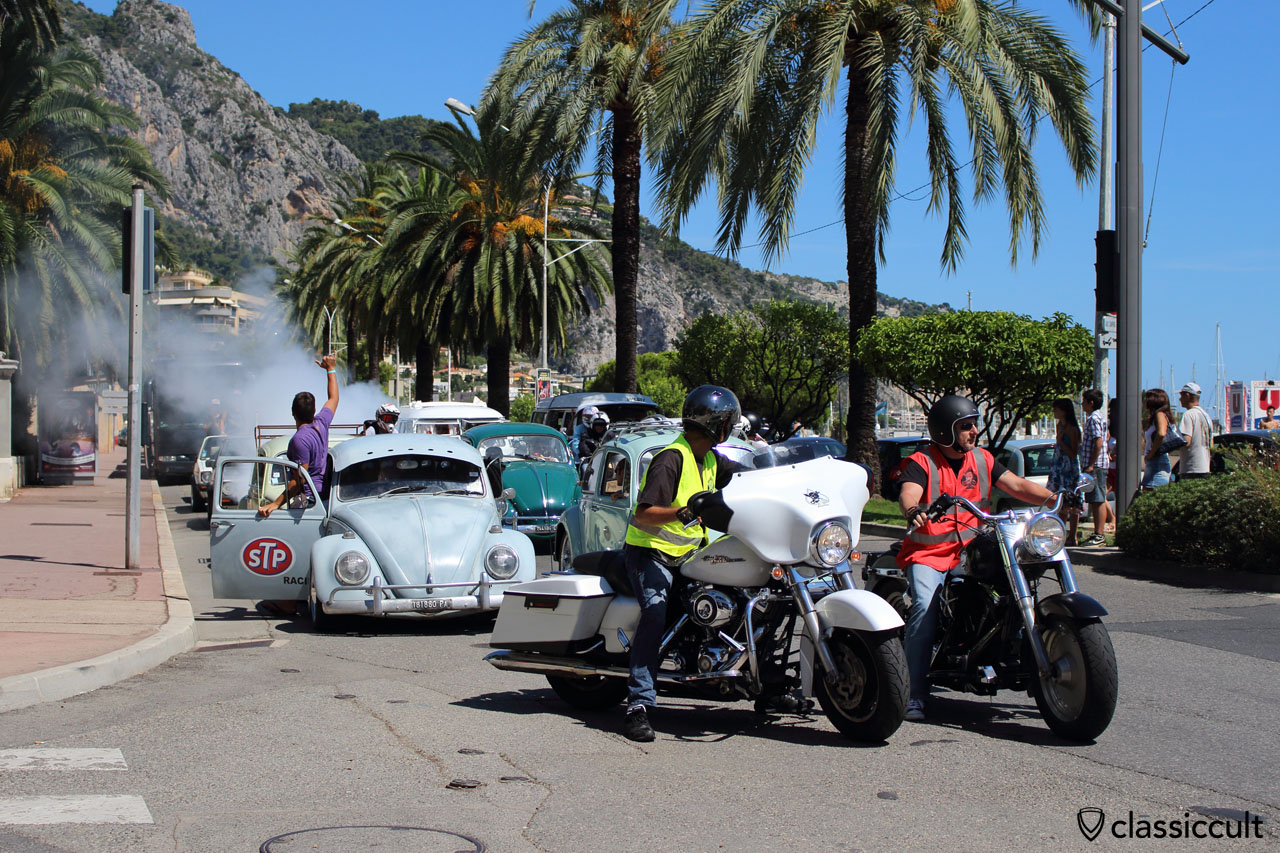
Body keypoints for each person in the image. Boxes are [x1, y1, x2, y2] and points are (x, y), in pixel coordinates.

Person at [896, 395, 1052, 722]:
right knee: (925, 607)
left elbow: (1018, 485)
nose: (974, 431)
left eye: (974, 424)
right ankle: (913, 693)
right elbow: (908, 491)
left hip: (973, 548)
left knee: (1012, 591)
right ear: (945, 432)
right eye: (965, 426)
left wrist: (1055, 498)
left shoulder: (982, 459)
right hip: (930, 554)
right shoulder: (923, 462)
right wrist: (913, 510)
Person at [620, 385, 743, 742]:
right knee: (655, 612)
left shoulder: (709, 459)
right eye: (729, 422)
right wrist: (682, 512)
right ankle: (638, 704)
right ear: (719, 425)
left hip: (689, 556)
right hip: (651, 554)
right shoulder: (671, 458)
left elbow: (745, 475)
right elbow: (643, 515)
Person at [258, 354, 339, 518]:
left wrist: (275, 504)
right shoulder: (321, 423)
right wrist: (331, 370)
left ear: (293, 412)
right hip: (322, 498)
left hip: (308, 503)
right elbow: (334, 398)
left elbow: (299, 480)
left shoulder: (299, 440)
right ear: (314, 411)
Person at [1078, 389, 1112, 546]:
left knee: (1098, 499)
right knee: (1094, 499)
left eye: (1084, 401)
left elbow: (1098, 441)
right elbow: (1106, 437)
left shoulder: (1093, 419)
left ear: (1091, 403)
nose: (1082, 404)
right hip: (1097, 463)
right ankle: (1097, 533)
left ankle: (1099, 534)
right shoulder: (1098, 418)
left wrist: (1091, 464)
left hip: (1096, 465)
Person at [1047, 398, 1082, 545]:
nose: (1054, 412)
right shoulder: (1059, 425)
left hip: (1069, 469)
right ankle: (1061, 533)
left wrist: (1061, 441)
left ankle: (1072, 535)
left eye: (1056, 409)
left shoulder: (1073, 429)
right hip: (1058, 467)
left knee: (1073, 503)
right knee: (1060, 503)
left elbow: (1074, 453)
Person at [1175, 382, 1214, 480]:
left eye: (1181, 396)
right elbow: (1212, 444)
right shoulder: (1206, 416)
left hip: (1191, 468)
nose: (1180, 399)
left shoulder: (1188, 414)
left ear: (1187, 396)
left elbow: (1186, 441)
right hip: (1205, 467)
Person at [1140, 388, 1173, 491]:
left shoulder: (1160, 415)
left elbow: (1161, 433)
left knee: (1151, 495)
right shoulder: (1155, 417)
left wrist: (1152, 453)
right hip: (1154, 462)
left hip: (1157, 461)